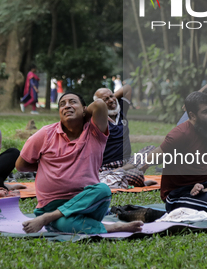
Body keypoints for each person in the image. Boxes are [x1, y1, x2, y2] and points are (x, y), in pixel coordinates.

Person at [16, 92, 143, 234]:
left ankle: (48, 218)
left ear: (85, 109)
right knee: (67, 223)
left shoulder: (95, 132)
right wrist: (47, 166)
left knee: (103, 189)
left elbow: (99, 105)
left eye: (72, 102)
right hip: (50, 205)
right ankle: (113, 227)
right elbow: (21, 165)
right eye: (62, 104)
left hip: (87, 202)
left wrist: (81, 116)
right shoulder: (45, 134)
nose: (67, 106)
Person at [144, 92, 207, 218]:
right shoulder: (180, 134)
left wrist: (200, 187)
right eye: (205, 111)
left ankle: (206, 193)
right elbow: (152, 158)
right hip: (178, 195)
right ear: (192, 115)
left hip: (200, 185)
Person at [94, 85, 153, 187]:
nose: (112, 100)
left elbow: (128, 88)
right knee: (135, 176)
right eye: (106, 99)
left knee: (152, 150)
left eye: (112, 96)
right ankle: (126, 176)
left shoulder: (121, 111)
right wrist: (102, 102)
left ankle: (123, 175)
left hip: (127, 163)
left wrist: (110, 97)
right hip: (108, 167)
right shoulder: (98, 120)